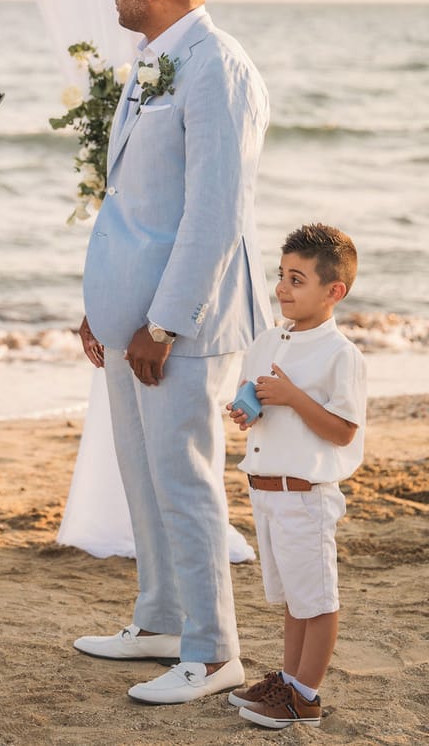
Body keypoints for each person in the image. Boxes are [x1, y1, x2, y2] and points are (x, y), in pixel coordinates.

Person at [73, 0, 271, 705]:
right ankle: (158, 618)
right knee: (144, 477)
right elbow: (132, 204)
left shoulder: (218, 69)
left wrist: (162, 323)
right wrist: (102, 309)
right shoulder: (155, 62)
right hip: (130, 317)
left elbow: (216, 214)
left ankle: (213, 650)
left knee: (186, 484)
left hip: (180, 325)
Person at [226, 223, 365, 728]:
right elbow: (259, 398)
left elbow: (343, 431)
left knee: (318, 600)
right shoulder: (267, 341)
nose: (282, 288)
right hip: (265, 491)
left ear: (334, 292)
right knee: (292, 599)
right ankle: (287, 681)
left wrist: (292, 397)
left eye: (297, 279)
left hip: (305, 494)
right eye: (281, 275)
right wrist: (248, 410)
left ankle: (305, 696)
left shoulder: (339, 355)